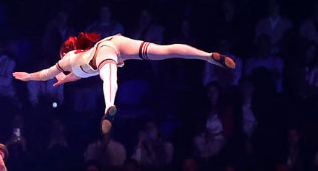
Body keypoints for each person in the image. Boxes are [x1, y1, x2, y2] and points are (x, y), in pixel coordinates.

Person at [14, 32, 234, 133]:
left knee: (108, 74)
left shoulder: (70, 59)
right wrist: (65, 79)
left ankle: (109, 105)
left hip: (107, 51)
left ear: (66, 52)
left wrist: (28, 77)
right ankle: (207, 56)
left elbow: (45, 74)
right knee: (164, 52)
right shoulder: (77, 66)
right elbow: (76, 75)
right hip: (117, 43)